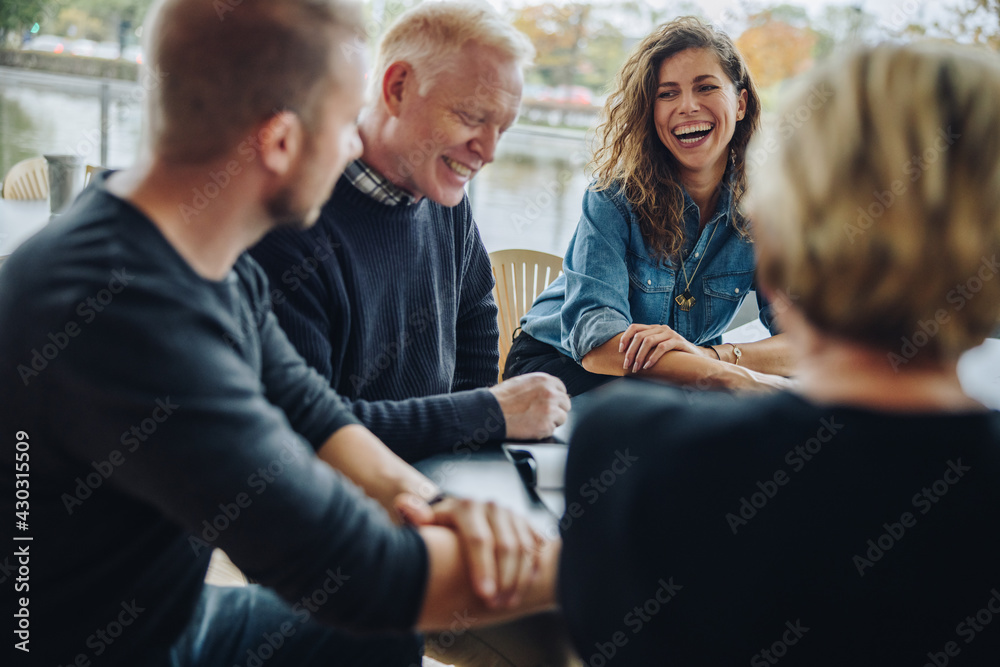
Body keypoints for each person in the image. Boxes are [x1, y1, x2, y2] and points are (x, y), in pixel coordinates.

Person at [0, 1, 559, 665]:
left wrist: (438, 502)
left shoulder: (172, 232)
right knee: (375, 612)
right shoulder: (131, 318)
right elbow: (360, 573)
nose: (356, 143)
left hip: (173, 612)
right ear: (282, 141)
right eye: (343, 122)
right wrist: (618, 563)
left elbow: (309, 407)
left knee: (377, 637)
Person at [559, 42, 1000, 665]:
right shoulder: (614, 198)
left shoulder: (631, 450)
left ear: (781, 236)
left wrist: (720, 361)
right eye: (666, 91)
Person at [249, 0, 570, 462]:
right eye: (473, 117)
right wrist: (484, 413)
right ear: (397, 87)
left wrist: (467, 453)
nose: (489, 150)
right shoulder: (291, 221)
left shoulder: (445, 198)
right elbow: (304, 431)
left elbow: (476, 316)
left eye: (502, 127)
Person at [504, 17, 794, 396]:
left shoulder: (768, 208)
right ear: (649, 111)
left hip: (679, 372)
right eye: (667, 93)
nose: (688, 106)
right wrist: (730, 376)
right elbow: (597, 344)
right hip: (559, 366)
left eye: (705, 87)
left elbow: (807, 342)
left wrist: (713, 358)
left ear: (740, 104)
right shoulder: (612, 196)